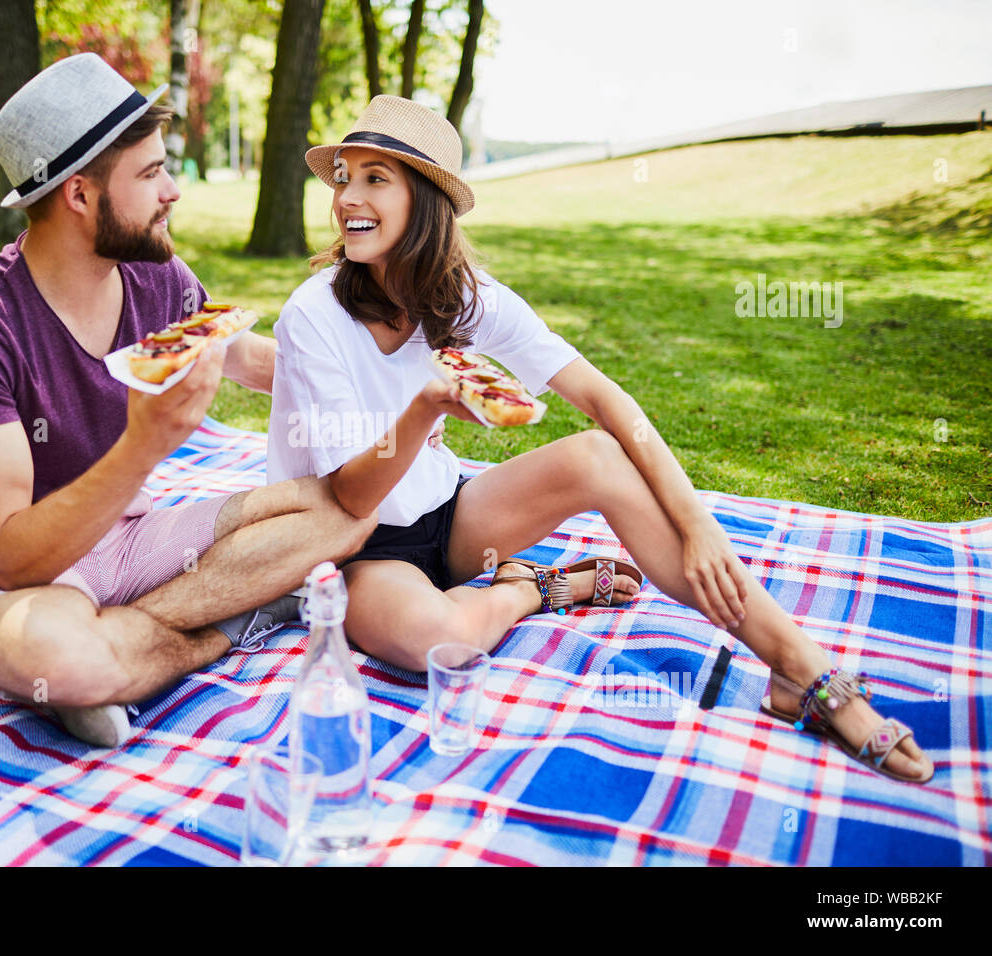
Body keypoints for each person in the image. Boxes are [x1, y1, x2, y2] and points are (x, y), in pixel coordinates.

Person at [265, 95, 933, 784]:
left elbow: (606, 399)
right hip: (354, 545)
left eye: (376, 177)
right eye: (344, 176)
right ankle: (536, 590)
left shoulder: (463, 294)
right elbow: (349, 491)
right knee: (444, 640)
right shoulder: (312, 313)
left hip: (445, 517)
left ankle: (801, 668)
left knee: (599, 455)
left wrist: (697, 521)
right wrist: (426, 405)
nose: (348, 197)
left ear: (427, 200)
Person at [0, 54, 376, 749]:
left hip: (131, 539)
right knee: (58, 658)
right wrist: (143, 447)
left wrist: (384, 394)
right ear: (78, 195)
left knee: (351, 503)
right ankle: (207, 625)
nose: (173, 192)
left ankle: (129, 649)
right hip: (5, 574)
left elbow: (247, 358)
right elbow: (12, 556)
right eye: (152, 173)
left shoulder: (154, 273)